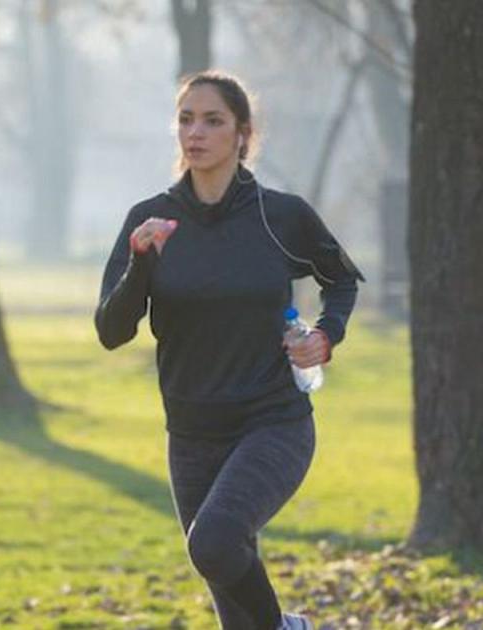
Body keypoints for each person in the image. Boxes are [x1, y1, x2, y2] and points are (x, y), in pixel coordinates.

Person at [93, 70, 363, 630]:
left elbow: (340, 278)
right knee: (235, 610)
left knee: (213, 543)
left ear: (242, 133)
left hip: (272, 421)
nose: (196, 132)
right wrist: (142, 263)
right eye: (187, 119)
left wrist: (326, 334)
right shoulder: (151, 221)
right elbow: (113, 330)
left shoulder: (279, 216)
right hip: (191, 434)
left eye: (213, 120)